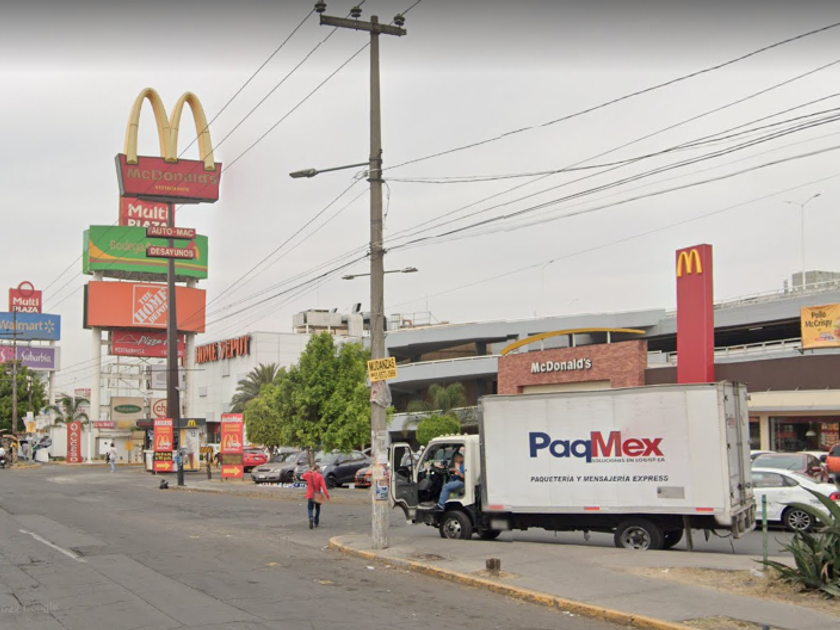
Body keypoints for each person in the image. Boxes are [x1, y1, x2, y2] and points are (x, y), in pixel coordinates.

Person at [302, 464, 330, 529]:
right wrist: (327, 495)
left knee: (310, 508)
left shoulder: (309, 475)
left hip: (310, 495)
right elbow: (324, 487)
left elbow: (303, 476)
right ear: (317, 469)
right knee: (317, 509)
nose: (320, 470)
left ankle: (311, 518)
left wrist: (310, 471)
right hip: (317, 495)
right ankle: (316, 522)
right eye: (319, 469)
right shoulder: (320, 476)